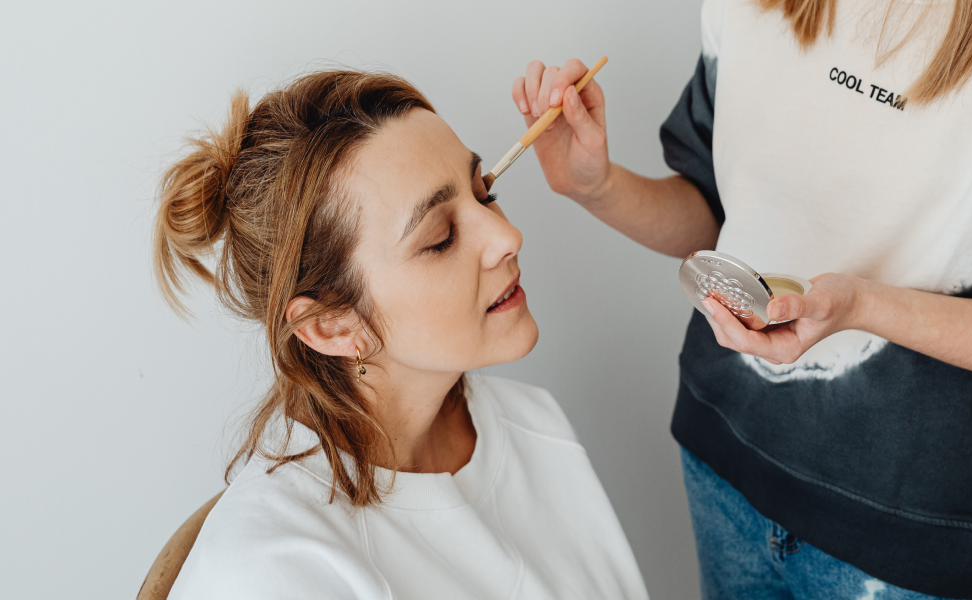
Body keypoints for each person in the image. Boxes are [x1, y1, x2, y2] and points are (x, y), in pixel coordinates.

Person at [512, 0, 972, 597]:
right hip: (725, 463)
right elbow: (720, 217)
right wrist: (594, 185)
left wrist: (864, 306)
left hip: (910, 537)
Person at [154, 70, 649, 600]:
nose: (508, 236)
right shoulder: (271, 574)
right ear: (332, 325)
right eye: (440, 238)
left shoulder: (533, 422)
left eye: (485, 192)